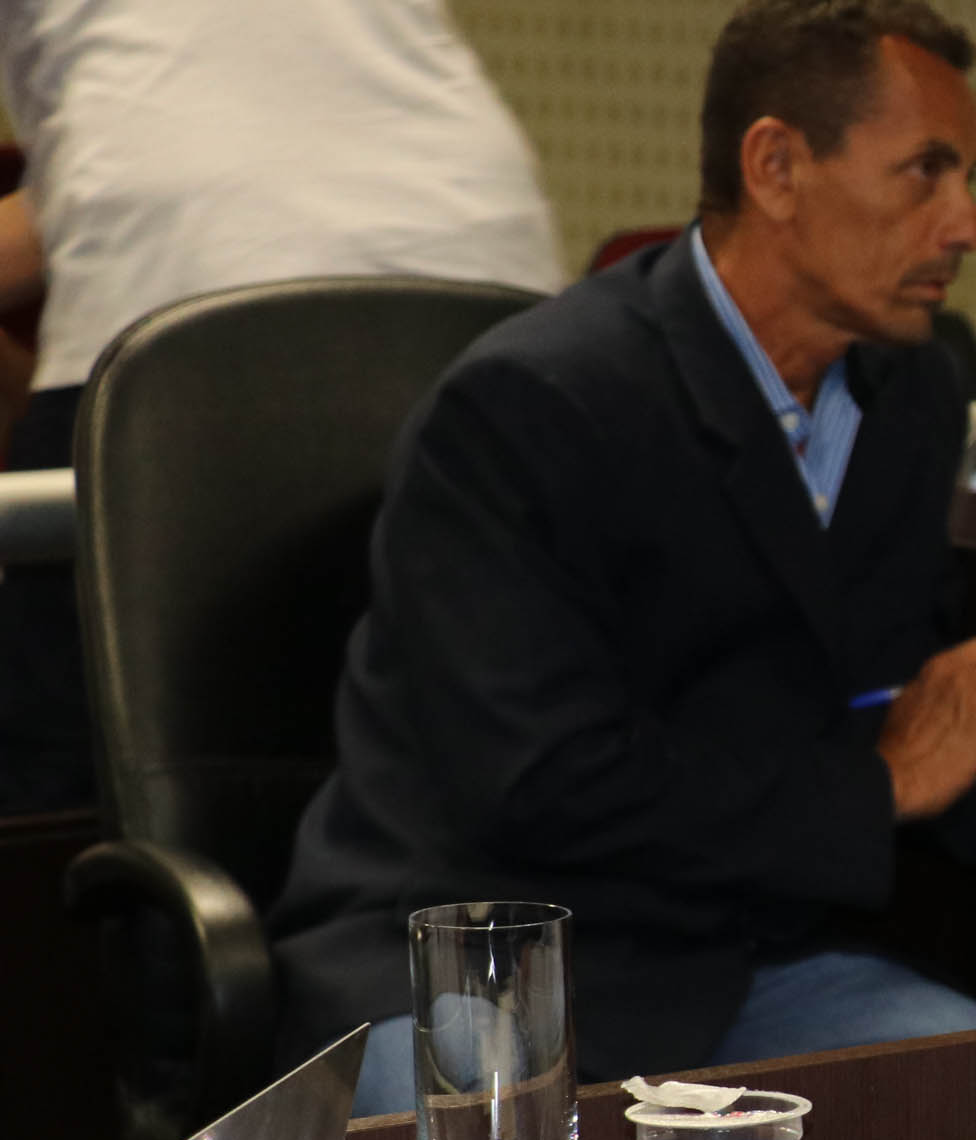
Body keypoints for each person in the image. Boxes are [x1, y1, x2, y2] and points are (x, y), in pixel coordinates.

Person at [269, 0, 976, 1111]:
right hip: (487, 949)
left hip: (746, 958)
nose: (967, 225)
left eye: (968, 178)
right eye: (925, 172)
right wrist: (880, 783)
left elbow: (888, 705)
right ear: (776, 167)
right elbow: (539, 784)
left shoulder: (908, 390)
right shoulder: (534, 402)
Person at [0, 0, 565, 815]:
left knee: (76, 785)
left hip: (179, 288)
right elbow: (171, 143)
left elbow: (168, 156)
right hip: (476, 255)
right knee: (459, 751)